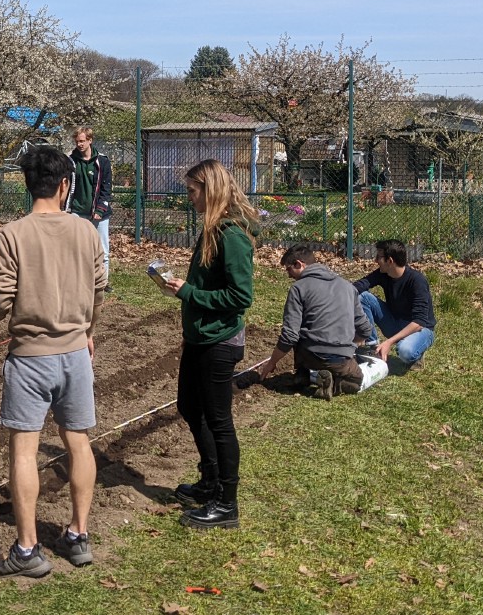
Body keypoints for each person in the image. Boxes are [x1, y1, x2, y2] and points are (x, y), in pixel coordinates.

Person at [0, 146, 107, 577]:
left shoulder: (12, 234)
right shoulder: (87, 232)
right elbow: (99, 291)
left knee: (24, 449)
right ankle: (78, 534)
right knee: (78, 441)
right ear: (64, 185)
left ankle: (26, 548)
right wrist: (87, 332)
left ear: (27, 184)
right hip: (76, 355)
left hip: (29, 358)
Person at [158, 159, 258, 530]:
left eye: (192, 190)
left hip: (220, 340)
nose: (189, 197)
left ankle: (226, 504)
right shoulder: (212, 230)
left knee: (219, 421)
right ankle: (211, 481)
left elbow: (240, 296)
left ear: (209, 189)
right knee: (189, 405)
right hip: (200, 336)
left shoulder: (231, 235)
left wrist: (189, 292)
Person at [258, 244, 374, 399]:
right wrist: (351, 343)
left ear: (299, 264)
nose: (288, 275)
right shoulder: (348, 287)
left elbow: (290, 335)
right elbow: (366, 329)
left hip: (309, 355)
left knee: (303, 330)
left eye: (288, 269)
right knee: (356, 381)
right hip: (339, 359)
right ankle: (336, 384)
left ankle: (302, 374)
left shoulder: (298, 288)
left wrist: (272, 363)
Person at [354, 239, 437, 364]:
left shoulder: (416, 281)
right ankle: (372, 348)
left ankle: (417, 352)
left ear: (390, 261)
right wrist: (335, 292)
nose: (375, 260)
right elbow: (361, 285)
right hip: (395, 322)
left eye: (379, 257)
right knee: (362, 296)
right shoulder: (384, 273)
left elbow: (419, 322)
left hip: (420, 329)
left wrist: (389, 342)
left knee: (405, 352)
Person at [64, 127, 113, 280]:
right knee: (75, 248)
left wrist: (100, 209)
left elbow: (106, 188)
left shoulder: (102, 161)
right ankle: (76, 280)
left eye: (83, 141)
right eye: (77, 141)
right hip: (76, 211)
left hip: (99, 214)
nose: (80, 144)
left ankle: (103, 281)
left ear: (90, 140)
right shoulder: (70, 160)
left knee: (103, 250)